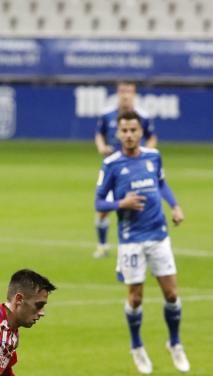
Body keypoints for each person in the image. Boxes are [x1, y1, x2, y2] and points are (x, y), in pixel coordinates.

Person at [95, 110, 188, 376]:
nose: (129, 135)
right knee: (135, 298)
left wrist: (175, 206)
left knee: (171, 294)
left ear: (140, 132)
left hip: (158, 235)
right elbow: (99, 202)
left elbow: (161, 183)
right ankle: (136, 346)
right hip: (131, 240)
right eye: (124, 131)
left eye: (133, 130)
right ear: (118, 133)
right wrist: (120, 204)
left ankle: (175, 343)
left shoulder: (153, 157)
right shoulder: (111, 164)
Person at [91, 81, 156, 260]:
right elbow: (99, 133)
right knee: (102, 209)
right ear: (117, 93)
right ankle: (102, 246)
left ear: (134, 93)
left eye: (129, 91)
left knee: (142, 206)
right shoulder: (107, 114)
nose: (125, 95)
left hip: (136, 169)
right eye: (122, 91)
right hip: (113, 170)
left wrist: (147, 154)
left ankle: (149, 249)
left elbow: (151, 138)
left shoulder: (142, 115)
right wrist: (101, 146)